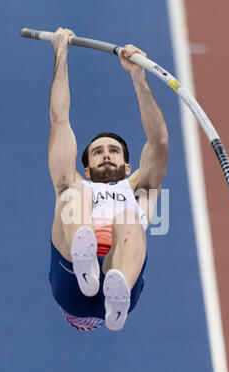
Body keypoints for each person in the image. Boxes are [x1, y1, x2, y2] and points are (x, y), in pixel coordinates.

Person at [48, 28, 168, 331]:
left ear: (128, 166)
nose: (105, 154)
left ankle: (118, 296)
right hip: (73, 281)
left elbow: (159, 143)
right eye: (97, 152)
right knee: (73, 195)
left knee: (129, 216)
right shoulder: (76, 183)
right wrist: (61, 54)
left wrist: (138, 77)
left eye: (113, 151)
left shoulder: (140, 189)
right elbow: (59, 120)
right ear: (86, 169)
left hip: (120, 276)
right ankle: (84, 260)